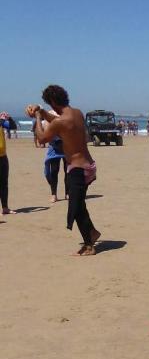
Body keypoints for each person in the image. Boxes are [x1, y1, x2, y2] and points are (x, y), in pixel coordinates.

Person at [27, 85, 101, 255]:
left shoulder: (61, 121)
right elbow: (59, 122)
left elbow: (42, 137)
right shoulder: (77, 113)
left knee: (75, 208)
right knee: (79, 204)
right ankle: (93, 232)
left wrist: (38, 117)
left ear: (53, 102)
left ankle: (89, 245)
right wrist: (43, 111)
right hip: (88, 166)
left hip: (78, 170)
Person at [0, 115, 16, 214]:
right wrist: (1, 119)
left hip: (3, 157)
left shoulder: (1, 123)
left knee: (4, 183)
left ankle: (5, 207)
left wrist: (9, 118)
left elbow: (13, 126)